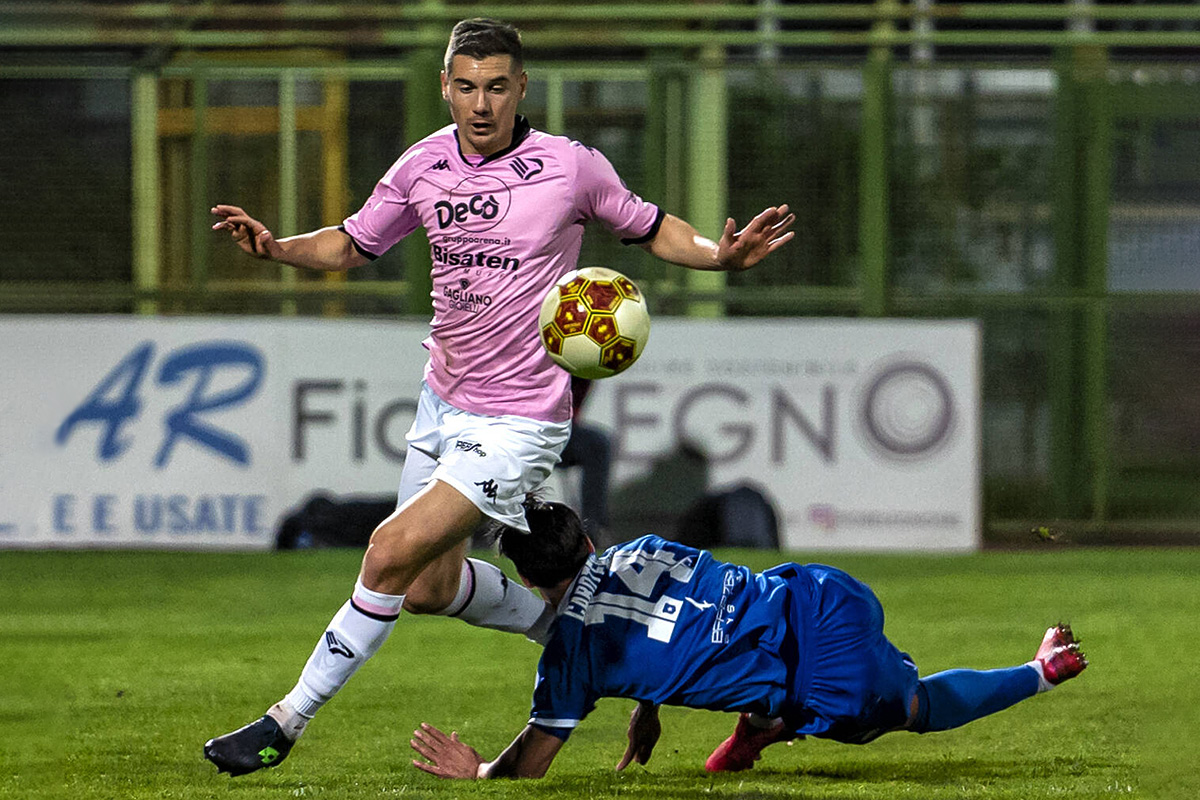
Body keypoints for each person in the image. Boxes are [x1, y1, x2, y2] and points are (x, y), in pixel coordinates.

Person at [203, 17, 795, 777]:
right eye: (466, 86)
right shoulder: (422, 165)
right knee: (424, 588)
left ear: (520, 88)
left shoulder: (570, 167)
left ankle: (284, 722)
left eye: (496, 87)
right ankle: (581, 635)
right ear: (446, 88)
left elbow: (650, 229)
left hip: (521, 421)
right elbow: (352, 243)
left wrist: (720, 256)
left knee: (385, 552)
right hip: (441, 403)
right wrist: (280, 247)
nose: (481, 103)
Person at [408, 498, 1089, 780]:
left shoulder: (570, 657)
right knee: (761, 671)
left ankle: (1038, 671)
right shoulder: (640, 547)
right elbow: (673, 616)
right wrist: (647, 704)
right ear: (589, 540)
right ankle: (758, 727)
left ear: (525, 575)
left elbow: (533, 764)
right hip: (818, 593)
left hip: (819, 672)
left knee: (915, 710)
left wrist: (481, 772)